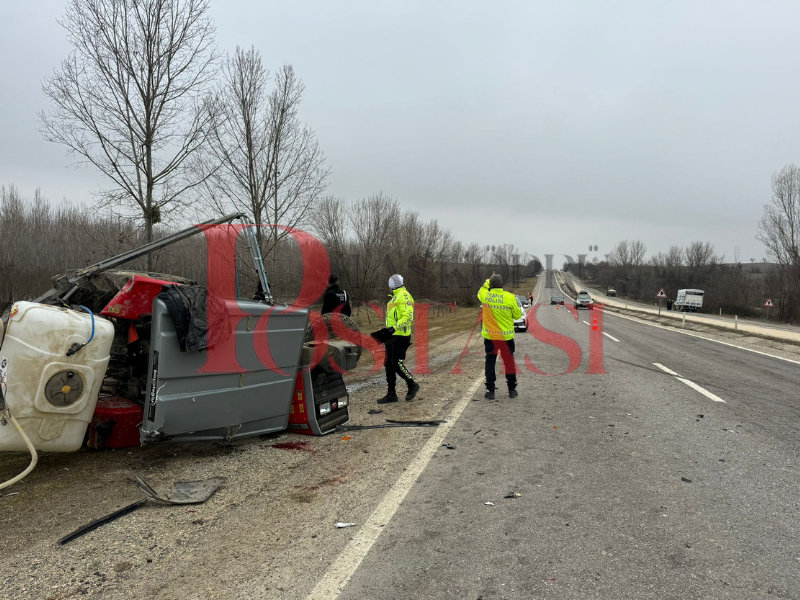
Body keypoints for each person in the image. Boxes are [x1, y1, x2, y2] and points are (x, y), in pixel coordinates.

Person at [377, 274, 420, 403]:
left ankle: (412, 385)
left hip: (401, 336)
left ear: (392, 285)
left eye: (389, 285)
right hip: (391, 336)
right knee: (388, 364)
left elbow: (408, 317)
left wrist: (394, 328)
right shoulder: (394, 298)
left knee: (396, 364)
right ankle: (391, 394)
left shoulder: (404, 296)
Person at [478, 273, 521, 400]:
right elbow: (518, 316)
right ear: (502, 285)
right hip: (506, 338)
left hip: (490, 337)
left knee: (490, 362)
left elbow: (481, 290)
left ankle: (490, 391)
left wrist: (487, 282)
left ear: (490, 285)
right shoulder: (510, 297)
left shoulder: (485, 296)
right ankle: (512, 390)